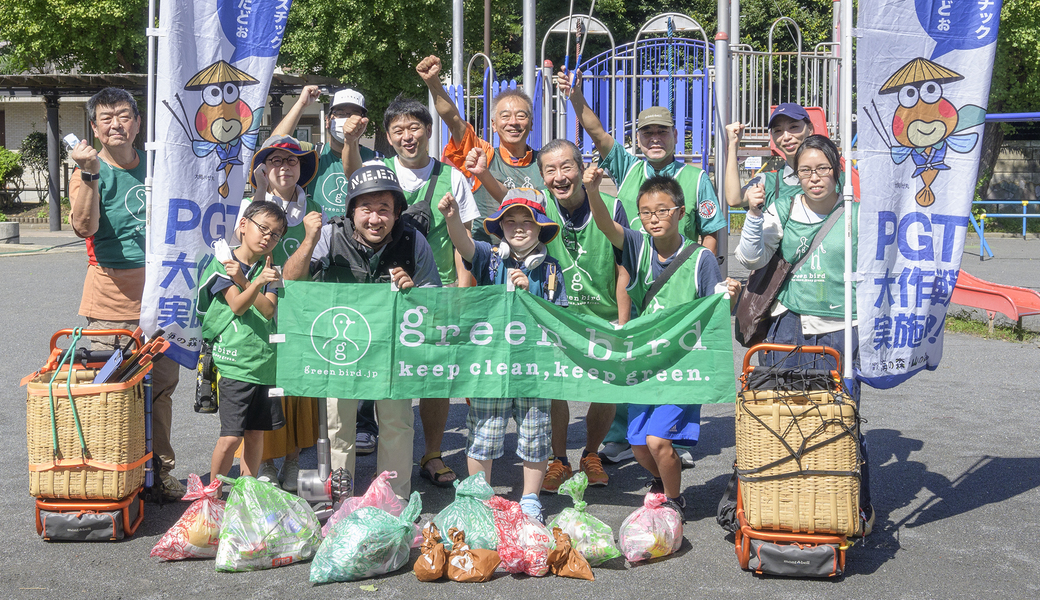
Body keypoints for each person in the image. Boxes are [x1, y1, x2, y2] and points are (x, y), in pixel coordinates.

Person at [733, 134, 872, 535]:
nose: (814, 178)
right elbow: (750, 258)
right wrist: (755, 215)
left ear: (837, 170)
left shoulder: (856, 215)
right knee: (784, 416)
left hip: (840, 329)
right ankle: (784, 506)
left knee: (841, 419)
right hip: (789, 325)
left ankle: (854, 509)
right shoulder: (784, 207)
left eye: (823, 169)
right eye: (806, 170)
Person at [586, 168, 740, 522]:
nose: (653, 218)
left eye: (662, 210)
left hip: (682, 365)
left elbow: (716, 310)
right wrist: (594, 191)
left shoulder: (700, 259)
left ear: (681, 213)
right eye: (646, 212)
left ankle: (674, 499)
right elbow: (606, 226)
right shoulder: (638, 247)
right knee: (639, 445)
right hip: (646, 362)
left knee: (658, 441)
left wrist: (731, 294)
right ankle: (661, 480)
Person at [283, 163, 441, 500]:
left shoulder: (415, 242)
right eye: (365, 208)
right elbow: (291, 284)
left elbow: (435, 306)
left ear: (398, 213)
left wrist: (414, 293)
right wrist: (309, 239)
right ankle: (340, 498)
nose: (374, 218)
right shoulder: (331, 234)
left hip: (392, 350)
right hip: (341, 348)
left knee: (397, 424)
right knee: (339, 425)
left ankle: (393, 498)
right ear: (352, 211)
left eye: (384, 209)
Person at [345, 95, 481, 488]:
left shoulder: (452, 176)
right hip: (381, 293)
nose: (407, 136)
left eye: (414, 127)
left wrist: (462, 294)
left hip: (437, 291)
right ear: (388, 135)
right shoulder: (377, 168)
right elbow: (354, 179)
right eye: (398, 130)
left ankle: (433, 453)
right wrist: (351, 143)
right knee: (384, 377)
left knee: (435, 379)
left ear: (428, 130)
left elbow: (464, 240)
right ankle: (371, 458)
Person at [69, 87, 184, 500]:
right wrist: (90, 174)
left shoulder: (158, 166)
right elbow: (84, 226)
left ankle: (160, 470)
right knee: (108, 390)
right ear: (95, 128)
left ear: (137, 123)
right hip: (109, 299)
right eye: (106, 118)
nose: (115, 124)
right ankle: (112, 472)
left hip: (162, 295)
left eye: (123, 116)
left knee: (161, 389)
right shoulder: (87, 169)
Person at [498, 139, 627, 492]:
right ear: (541, 176)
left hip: (603, 313)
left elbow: (623, 265)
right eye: (550, 170)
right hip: (555, 315)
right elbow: (505, 214)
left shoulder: (612, 205)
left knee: (605, 389)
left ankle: (591, 454)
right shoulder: (538, 208)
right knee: (555, 388)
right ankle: (559, 459)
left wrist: (623, 319)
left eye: (566, 167)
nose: (559, 176)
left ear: (580, 167)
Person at [438, 187, 567, 523]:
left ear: (541, 228)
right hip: (490, 364)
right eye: (510, 221)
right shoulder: (491, 256)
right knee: (484, 432)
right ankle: (479, 497)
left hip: (534, 370)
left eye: (528, 220)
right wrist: (453, 219)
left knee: (536, 433)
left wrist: (531, 294)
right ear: (500, 228)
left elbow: (560, 319)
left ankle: (529, 500)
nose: (519, 226)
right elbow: (464, 245)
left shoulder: (552, 269)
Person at [271, 85, 380, 456]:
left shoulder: (373, 157)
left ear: (364, 121)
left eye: (354, 114)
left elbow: (354, 175)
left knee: (360, 341)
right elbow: (274, 143)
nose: (345, 121)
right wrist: (302, 102)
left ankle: (364, 422)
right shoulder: (312, 158)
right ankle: (314, 426)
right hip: (316, 255)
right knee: (316, 343)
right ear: (328, 118)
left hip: (356, 257)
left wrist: (351, 141)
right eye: (338, 114)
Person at [555, 68, 726, 256]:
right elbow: (598, 135)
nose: (655, 138)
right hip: (632, 276)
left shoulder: (697, 179)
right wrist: (575, 94)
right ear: (637, 139)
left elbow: (710, 234)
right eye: (648, 133)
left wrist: (701, 273)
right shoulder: (627, 168)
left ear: (675, 136)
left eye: (662, 131)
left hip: (679, 276)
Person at [237, 134, 321, 491]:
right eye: (275, 161)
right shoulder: (247, 208)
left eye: (291, 161)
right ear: (263, 168)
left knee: (298, 389)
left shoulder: (316, 209)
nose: (284, 167)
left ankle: (293, 460)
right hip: (257, 306)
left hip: (300, 307)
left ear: (301, 169)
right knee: (262, 385)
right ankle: (266, 462)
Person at [198, 201, 287, 482]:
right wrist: (253, 281)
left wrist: (250, 280)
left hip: (264, 363)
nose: (267, 238)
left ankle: (246, 491)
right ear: (244, 225)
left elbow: (268, 309)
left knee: (256, 433)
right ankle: (210, 495)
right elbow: (236, 305)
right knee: (230, 437)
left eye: (275, 234)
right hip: (233, 363)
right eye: (263, 228)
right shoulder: (221, 262)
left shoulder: (270, 268)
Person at [417, 54, 542, 243]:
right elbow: (454, 121)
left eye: (521, 116)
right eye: (505, 116)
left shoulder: (545, 163)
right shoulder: (483, 154)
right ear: (493, 124)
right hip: (487, 259)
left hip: (536, 259)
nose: (513, 122)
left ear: (531, 123)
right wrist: (433, 82)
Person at [724, 103, 815, 209]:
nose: (786, 137)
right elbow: (735, 199)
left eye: (793, 127)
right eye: (778, 131)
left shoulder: (831, 176)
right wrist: (733, 144)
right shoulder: (766, 183)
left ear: (810, 129)